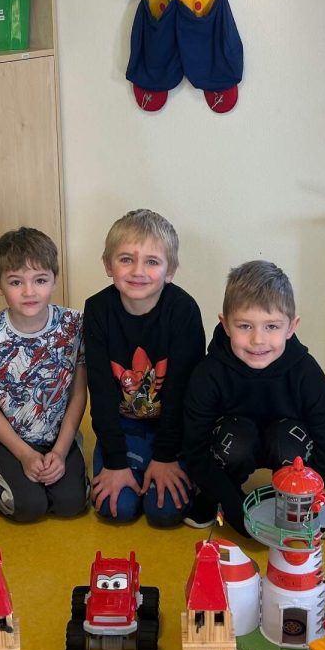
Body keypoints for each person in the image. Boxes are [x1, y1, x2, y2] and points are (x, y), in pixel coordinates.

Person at [182, 260, 325, 534]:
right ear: (226, 324)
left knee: (289, 443)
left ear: (291, 327)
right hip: (235, 440)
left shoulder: (307, 374)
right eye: (245, 326)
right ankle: (216, 496)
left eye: (272, 326)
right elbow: (195, 450)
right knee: (234, 442)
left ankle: (302, 502)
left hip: (285, 442)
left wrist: (300, 500)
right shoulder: (208, 374)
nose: (258, 339)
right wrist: (236, 510)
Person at [84, 209, 205, 525]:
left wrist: (165, 457)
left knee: (164, 512)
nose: (138, 271)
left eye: (152, 261)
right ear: (108, 265)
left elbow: (182, 393)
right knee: (117, 509)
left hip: (172, 428)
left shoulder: (183, 311)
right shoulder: (96, 310)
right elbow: (100, 393)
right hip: (123, 427)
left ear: (170, 270)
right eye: (126, 259)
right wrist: (115, 462)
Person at [0, 227, 87, 522]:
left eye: (40, 280)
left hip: (56, 435)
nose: (29, 292)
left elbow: (79, 394)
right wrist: (24, 454)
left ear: (54, 279)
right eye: (16, 282)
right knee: (27, 507)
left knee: (72, 503)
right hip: (6, 437)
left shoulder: (74, 325)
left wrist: (61, 450)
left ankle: (61, 455)